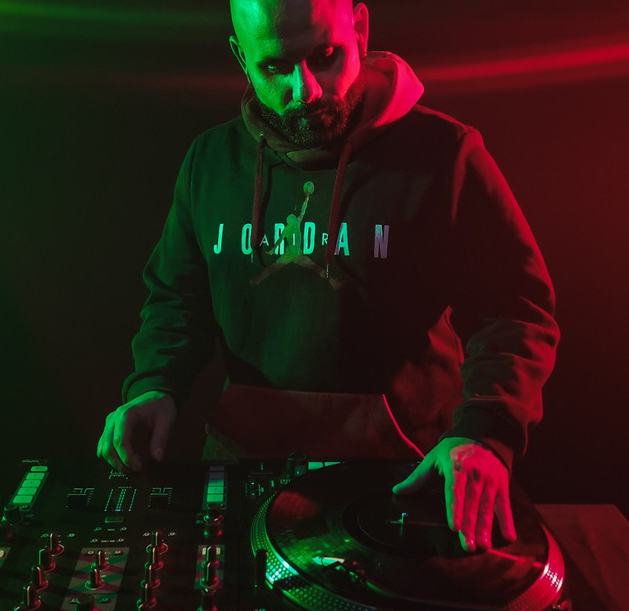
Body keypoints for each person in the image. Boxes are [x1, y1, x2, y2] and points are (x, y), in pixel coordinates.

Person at [97, 0, 559, 554]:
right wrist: (156, 385)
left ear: (359, 29)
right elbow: (178, 299)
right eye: (276, 66)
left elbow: (514, 311)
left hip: (406, 480)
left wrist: (484, 432)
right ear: (241, 57)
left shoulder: (445, 155)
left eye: (325, 56)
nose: (306, 89)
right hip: (247, 474)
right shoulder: (210, 161)